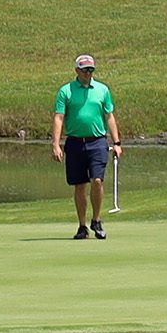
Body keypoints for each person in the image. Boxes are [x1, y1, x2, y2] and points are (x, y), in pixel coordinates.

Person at [52, 52, 119, 239]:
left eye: (91, 70)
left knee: (97, 180)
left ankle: (96, 220)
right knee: (80, 186)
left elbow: (110, 117)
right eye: (84, 70)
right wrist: (56, 144)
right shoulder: (66, 91)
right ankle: (82, 226)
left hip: (97, 141)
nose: (88, 73)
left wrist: (117, 142)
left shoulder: (102, 90)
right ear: (77, 71)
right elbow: (59, 117)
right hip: (74, 143)